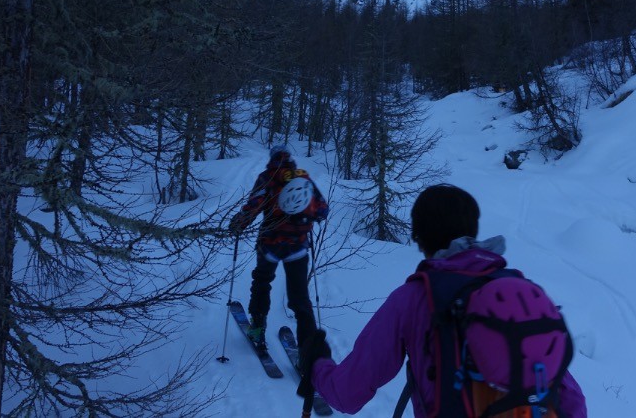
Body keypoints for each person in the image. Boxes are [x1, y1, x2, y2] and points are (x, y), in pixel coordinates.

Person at [298, 184, 587, 418]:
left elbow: (348, 394)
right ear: (473, 230)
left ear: (418, 238)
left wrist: (317, 365)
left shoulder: (413, 299)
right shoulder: (517, 292)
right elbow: (570, 398)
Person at [229, 144, 328, 351]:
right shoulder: (302, 177)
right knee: (300, 298)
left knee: (262, 281)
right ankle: (308, 352)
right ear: (290, 158)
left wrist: (238, 223)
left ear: (272, 157)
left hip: (270, 244)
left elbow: (253, 207)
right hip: (298, 246)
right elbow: (322, 209)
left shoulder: (267, 178)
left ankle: (257, 330)